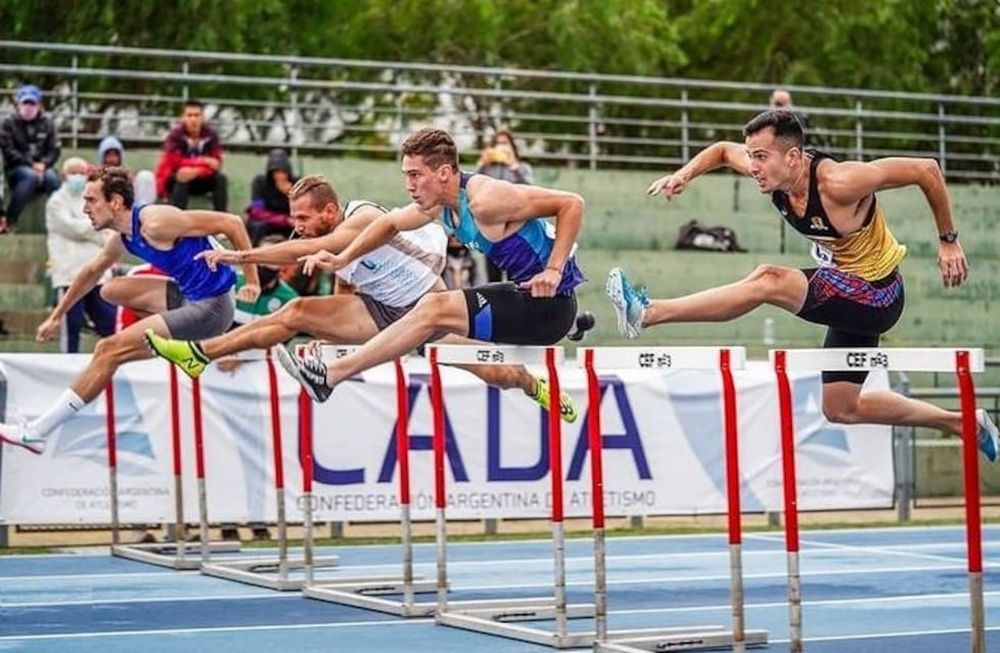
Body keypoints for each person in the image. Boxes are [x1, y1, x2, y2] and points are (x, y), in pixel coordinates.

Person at [608, 109, 999, 462]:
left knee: (768, 280)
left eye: (761, 158)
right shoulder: (772, 172)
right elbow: (725, 151)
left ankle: (649, 313)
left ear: (792, 157)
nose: (754, 166)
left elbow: (926, 170)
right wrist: (683, 176)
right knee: (842, 407)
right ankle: (963, 422)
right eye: (753, 157)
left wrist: (948, 240)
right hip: (847, 293)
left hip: (879, 295)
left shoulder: (840, 182)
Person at [144, 174, 576, 421]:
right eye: (294, 219)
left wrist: (242, 254)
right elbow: (346, 292)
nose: (297, 227)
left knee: (500, 374)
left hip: (430, 307)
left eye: (303, 218)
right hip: (381, 311)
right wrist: (330, 341)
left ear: (330, 213)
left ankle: (536, 387)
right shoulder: (335, 251)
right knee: (296, 312)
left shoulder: (360, 220)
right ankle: (202, 353)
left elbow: (300, 250)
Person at [279, 128, 585, 415]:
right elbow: (388, 223)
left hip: (549, 307)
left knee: (433, 307)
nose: (409, 186)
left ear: (443, 173)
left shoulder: (486, 200)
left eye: (415, 175)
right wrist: (341, 258)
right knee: (461, 338)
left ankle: (329, 377)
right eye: (406, 176)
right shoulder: (438, 206)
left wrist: (554, 270)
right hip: (526, 297)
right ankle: (563, 346)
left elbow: (571, 204)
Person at [0, 167, 259, 455]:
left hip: (213, 308)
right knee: (110, 289)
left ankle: (37, 432)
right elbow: (90, 272)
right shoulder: (123, 237)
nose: (85, 208)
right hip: (186, 296)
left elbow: (232, 223)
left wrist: (252, 281)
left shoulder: (156, 222)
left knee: (109, 349)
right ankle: (169, 338)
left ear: (116, 202)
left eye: (91, 200)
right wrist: (56, 315)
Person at [45, 157, 117, 353]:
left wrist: (98, 231)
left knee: (110, 324)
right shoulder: (56, 202)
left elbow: (109, 227)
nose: (77, 177)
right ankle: (68, 369)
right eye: (73, 172)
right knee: (71, 327)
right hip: (69, 275)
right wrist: (97, 231)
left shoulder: (97, 198)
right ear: (63, 176)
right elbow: (74, 228)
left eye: (81, 172)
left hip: (97, 276)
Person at [1, 84, 61, 233]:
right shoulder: (8, 123)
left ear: (39, 105)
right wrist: (31, 164)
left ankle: (60, 222)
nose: (28, 107)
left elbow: (55, 149)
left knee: (53, 179)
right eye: (25, 103)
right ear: (18, 104)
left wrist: (44, 164)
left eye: (32, 103)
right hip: (17, 169)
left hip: (44, 168)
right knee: (30, 177)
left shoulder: (48, 122)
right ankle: (10, 221)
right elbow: (8, 151)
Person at [476, 129, 534, 282]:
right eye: (498, 144)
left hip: (516, 228)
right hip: (492, 227)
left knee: (515, 277)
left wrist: (513, 166)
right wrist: (482, 164)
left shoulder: (522, 168)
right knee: (492, 278)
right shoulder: (487, 168)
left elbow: (530, 191)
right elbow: (472, 187)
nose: (501, 147)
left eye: (505, 144)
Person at [154, 100, 228, 211]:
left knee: (221, 179)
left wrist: (196, 171)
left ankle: (222, 219)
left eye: (197, 115)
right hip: (176, 178)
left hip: (201, 177)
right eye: (189, 115)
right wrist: (203, 161)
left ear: (202, 117)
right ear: (183, 117)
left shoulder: (211, 135)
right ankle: (177, 221)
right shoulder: (175, 135)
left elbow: (217, 164)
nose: (193, 119)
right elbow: (174, 162)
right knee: (181, 177)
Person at [246, 148, 298, 242]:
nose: (280, 176)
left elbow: (303, 210)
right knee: (257, 226)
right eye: (276, 172)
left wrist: (292, 194)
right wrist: (283, 220)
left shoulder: (297, 183)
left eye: (283, 171)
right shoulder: (260, 183)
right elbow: (257, 211)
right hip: (268, 220)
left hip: (290, 222)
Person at [97, 135, 157, 206]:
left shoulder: (127, 177)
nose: (112, 159)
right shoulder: (96, 177)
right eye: (109, 155)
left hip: (126, 210)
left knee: (145, 176)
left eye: (115, 155)